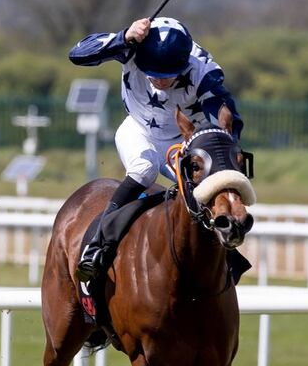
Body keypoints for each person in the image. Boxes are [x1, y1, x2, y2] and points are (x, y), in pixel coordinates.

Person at [68, 16, 243, 282]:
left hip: (182, 142)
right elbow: (78, 54)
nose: (159, 81)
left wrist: (224, 141)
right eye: (153, 73)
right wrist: (124, 35)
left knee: (204, 191)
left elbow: (224, 112)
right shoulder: (134, 45)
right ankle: (97, 243)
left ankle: (226, 256)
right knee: (144, 169)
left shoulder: (202, 69)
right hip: (138, 130)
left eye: (168, 75)